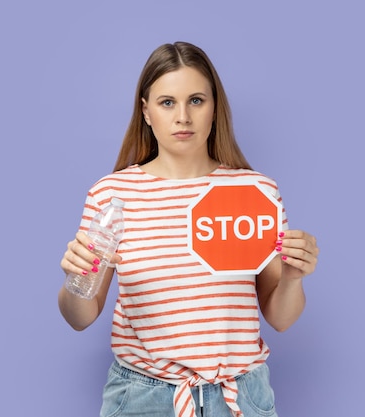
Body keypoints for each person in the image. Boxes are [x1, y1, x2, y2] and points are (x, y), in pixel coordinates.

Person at [58, 41, 319, 417]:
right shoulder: (111, 195)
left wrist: (293, 278)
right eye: (167, 103)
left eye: (196, 100)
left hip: (240, 398)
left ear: (215, 109)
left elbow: (280, 318)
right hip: (142, 399)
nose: (183, 116)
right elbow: (79, 318)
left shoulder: (256, 192)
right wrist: (74, 278)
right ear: (146, 111)